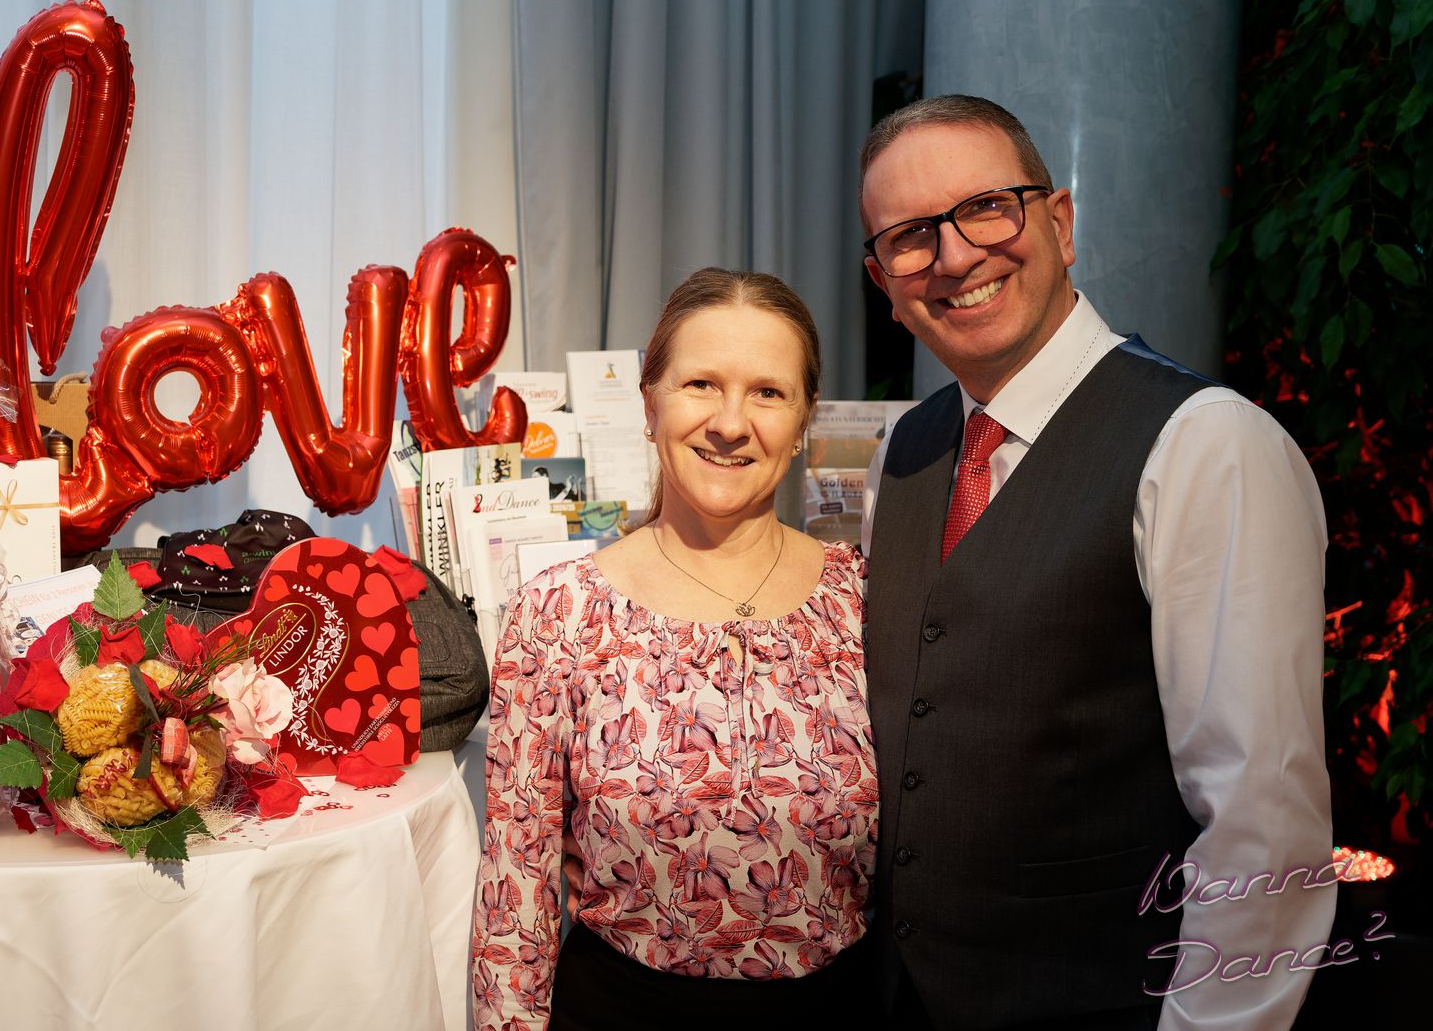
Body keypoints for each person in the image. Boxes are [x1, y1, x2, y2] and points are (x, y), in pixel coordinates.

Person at [857, 95, 1334, 1030]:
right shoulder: (903, 453)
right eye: (911, 236)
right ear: (884, 282)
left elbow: (1261, 825)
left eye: (985, 207)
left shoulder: (1205, 444)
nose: (954, 256)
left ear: (1060, 223)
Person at [471, 269, 881, 1030]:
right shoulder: (559, 614)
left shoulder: (865, 602)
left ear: (803, 421)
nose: (730, 422)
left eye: (768, 392)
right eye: (700, 384)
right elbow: (515, 891)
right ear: (649, 403)